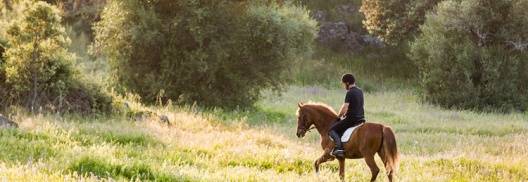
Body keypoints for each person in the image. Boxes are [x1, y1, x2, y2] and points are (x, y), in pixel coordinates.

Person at [329, 73, 366, 158]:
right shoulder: (360, 91)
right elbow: (356, 105)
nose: (343, 86)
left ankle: (339, 149)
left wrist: (338, 116)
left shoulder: (350, 92)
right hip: (361, 119)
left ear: (348, 83)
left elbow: (345, 107)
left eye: (343, 83)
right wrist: (346, 113)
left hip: (352, 120)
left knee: (332, 130)